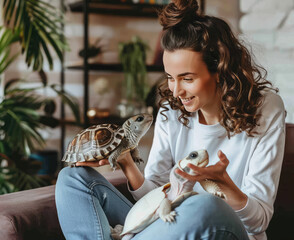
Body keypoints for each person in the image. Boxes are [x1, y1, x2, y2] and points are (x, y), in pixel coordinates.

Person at [55, 0, 286, 239]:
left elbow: (258, 221)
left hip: (225, 228)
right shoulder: (172, 109)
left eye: (187, 79)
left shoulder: (265, 108)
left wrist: (225, 184)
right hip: (166, 223)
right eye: (170, 78)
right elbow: (155, 196)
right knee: (72, 179)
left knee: (205, 205)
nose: (176, 91)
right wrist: (127, 163)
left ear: (220, 70)